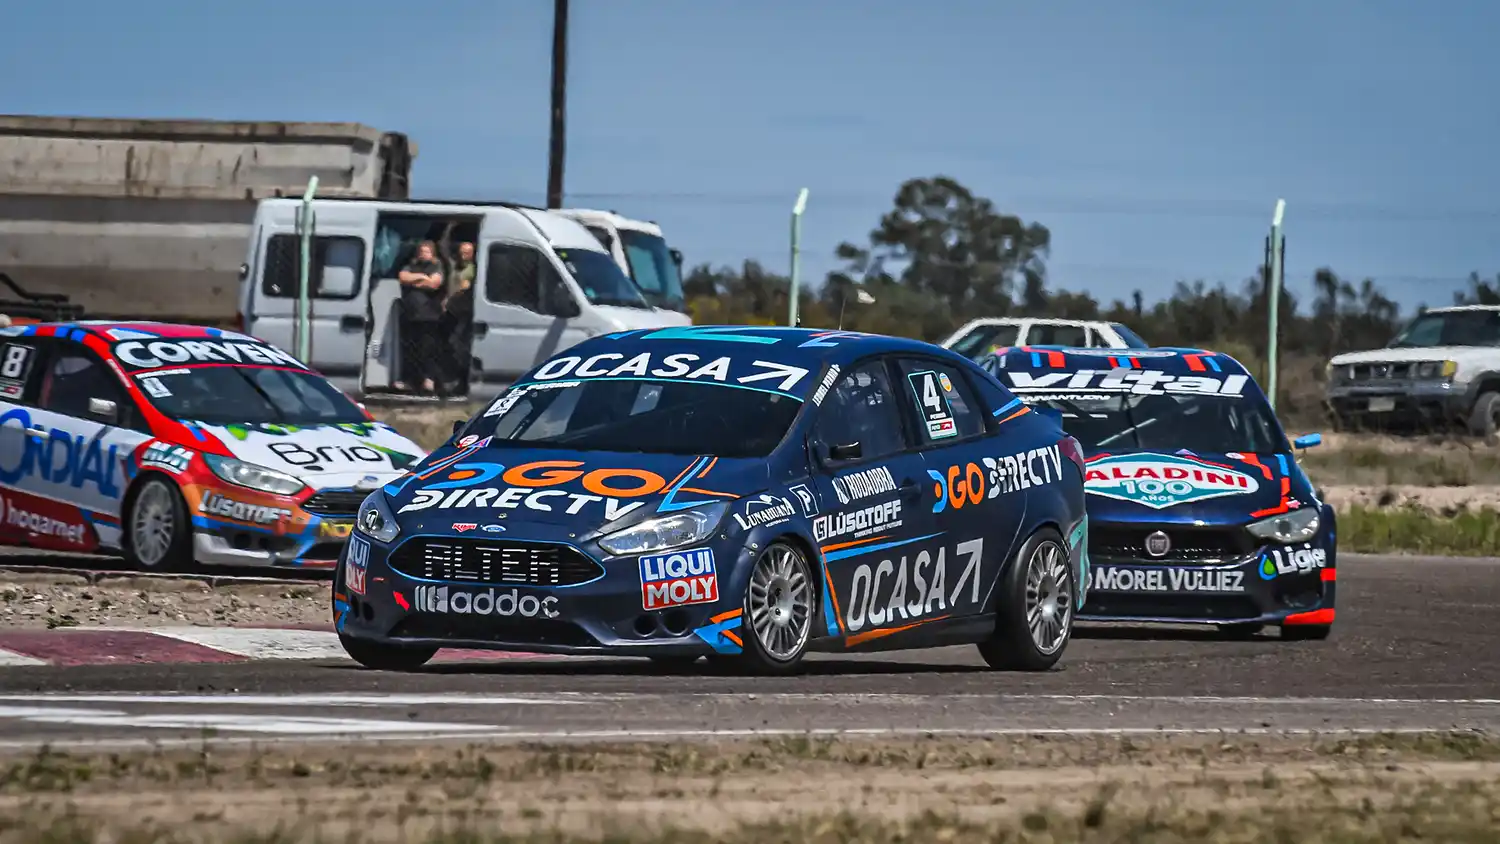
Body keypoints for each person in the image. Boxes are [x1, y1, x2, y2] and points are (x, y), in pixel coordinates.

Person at [396, 240, 444, 395]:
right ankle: (410, 381)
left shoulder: (437, 266)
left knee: (428, 350)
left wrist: (414, 281)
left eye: (427, 251)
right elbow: (403, 277)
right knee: (410, 350)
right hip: (410, 315)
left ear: (432, 253)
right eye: (422, 251)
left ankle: (428, 380)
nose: (424, 254)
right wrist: (422, 277)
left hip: (430, 316)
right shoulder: (411, 265)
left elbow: (434, 284)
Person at [441, 241, 477, 397]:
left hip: (465, 312)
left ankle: (461, 382)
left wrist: (456, 294)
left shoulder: (473, 269)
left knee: (459, 346)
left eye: (468, 252)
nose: (464, 255)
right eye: (462, 252)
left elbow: (464, 288)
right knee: (450, 345)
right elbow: (443, 248)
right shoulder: (455, 266)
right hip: (452, 310)